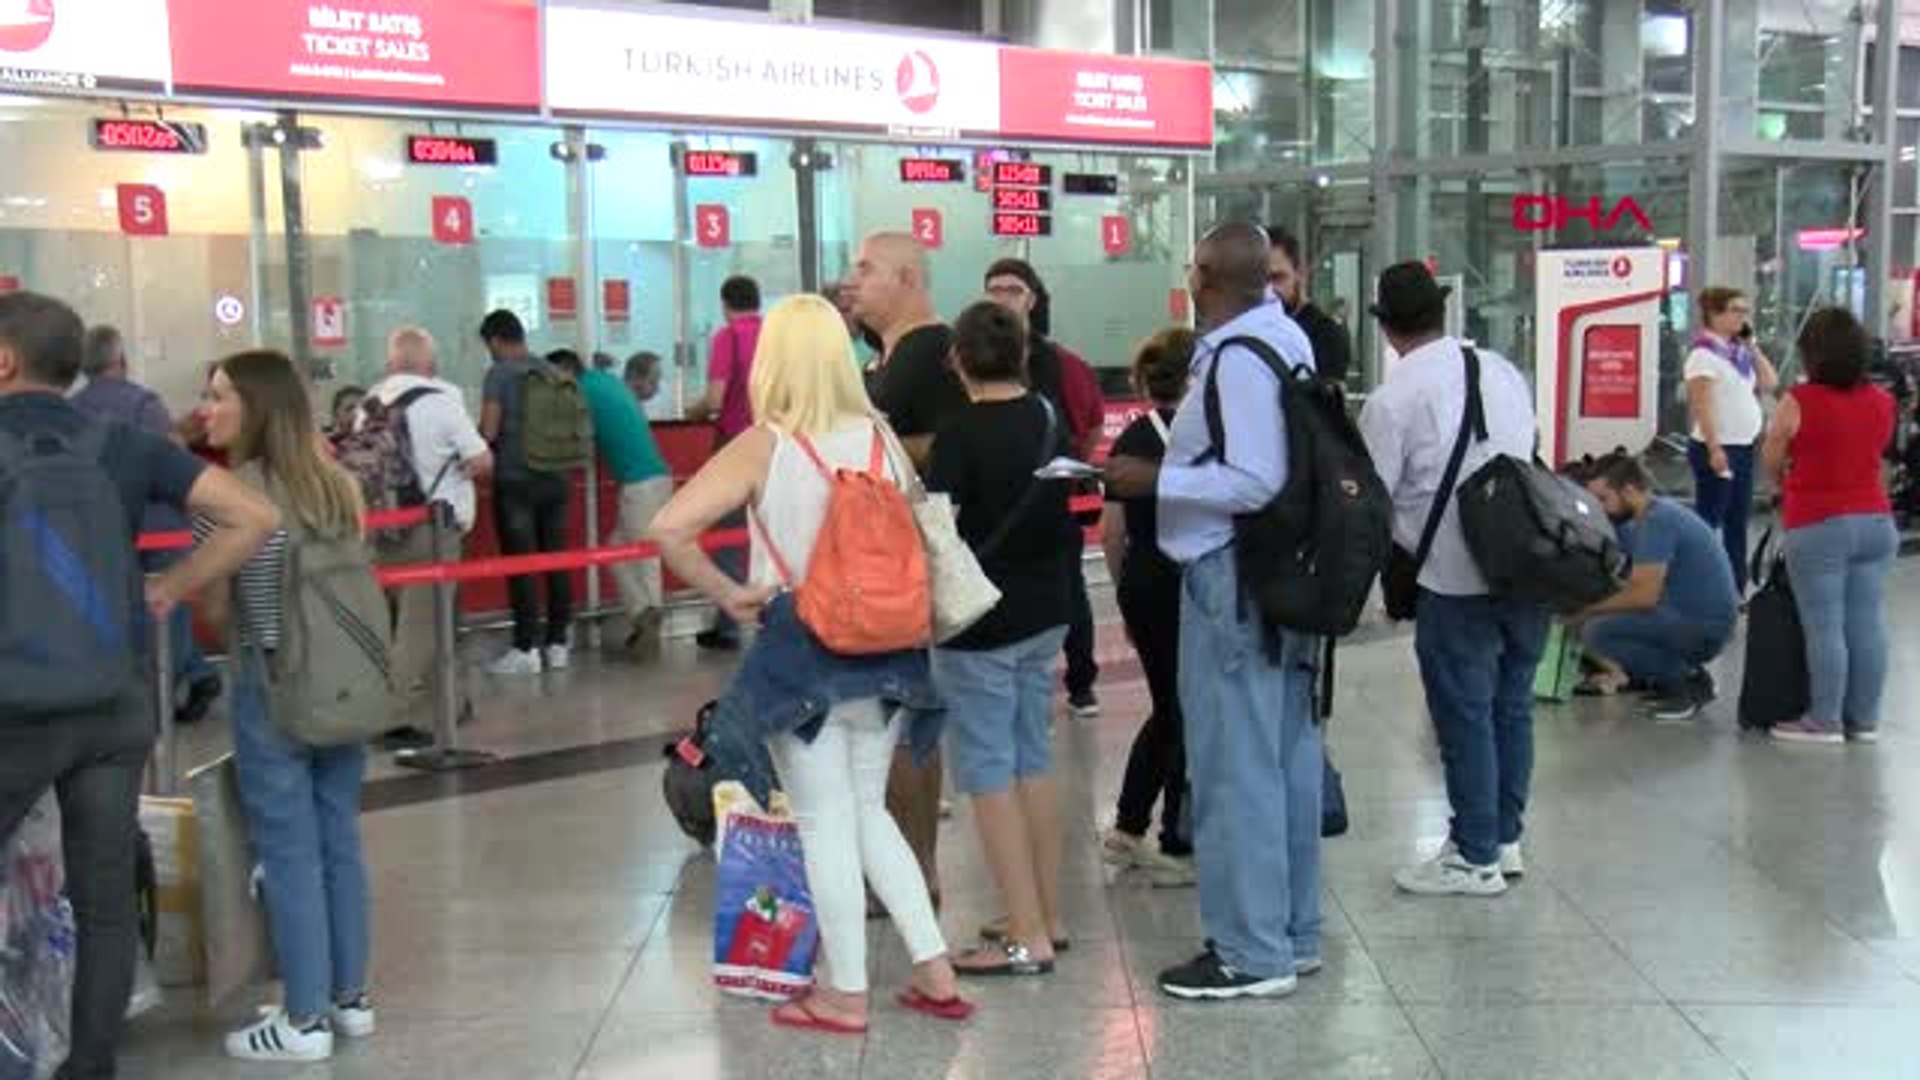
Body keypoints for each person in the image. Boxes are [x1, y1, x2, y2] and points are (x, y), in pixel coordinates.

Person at [648, 294, 967, 1032]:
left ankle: (845, 994)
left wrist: (729, 593)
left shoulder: (768, 444)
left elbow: (669, 528)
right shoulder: (882, 439)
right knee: (867, 810)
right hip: (891, 647)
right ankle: (935, 969)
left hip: (806, 649)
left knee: (824, 821)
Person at [0, 292, 277, 1080]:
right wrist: (171, 586)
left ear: (4, 360)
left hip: (12, 712)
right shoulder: (123, 442)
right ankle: (90, 1063)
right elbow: (254, 515)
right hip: (111, 706)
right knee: (105, 899)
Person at [1103, 223, 1324, 1000]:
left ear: (1202, 277)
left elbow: (1255, 479)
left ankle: (1251, 952)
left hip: (1231, 577)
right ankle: (1292, 932)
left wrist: (1155, 480)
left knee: (1235, 768)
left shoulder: (1237, 357)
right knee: (1284, 758)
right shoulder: (1288, 341)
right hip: (1277, 574)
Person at [191, 350, 377, 1062]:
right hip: (344, 686)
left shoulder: (230, 497)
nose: (208, 409)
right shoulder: (339, 487)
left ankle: (303, 1019)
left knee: (288, 852)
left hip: (271, 687)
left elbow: (215, 611)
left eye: (220, 396)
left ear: (257, 408)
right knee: (338, 841)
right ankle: (348, 998)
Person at [1358, 261, 1548, 897]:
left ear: (1386, 328)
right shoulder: (1502, 371)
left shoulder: (1392, 401)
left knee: (1464, 715)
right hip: (1526, 564)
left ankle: (1473, 856)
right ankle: (1503, 838)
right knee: (1511, 706)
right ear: (1442, 312)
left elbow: (1374, 499)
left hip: (1452, 574)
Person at [926, 302, 1077, 976]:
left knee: (988, 769)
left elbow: (939, 530)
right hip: (1047, 610)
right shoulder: (1048, 416)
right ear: (1023, 354)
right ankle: (1046, 912)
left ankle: (1024, 935)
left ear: (957, 360)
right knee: (1033, 758)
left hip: (980, 621)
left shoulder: (958, 435)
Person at [849, 231, 960, 908]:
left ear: (908, 279)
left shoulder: (929, 354)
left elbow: (948, 445)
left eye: (867, 269)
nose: (853, 280)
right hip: (875, 557)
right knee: (884, 720)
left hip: (907, 562)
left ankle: (915, 870)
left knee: (903, 719)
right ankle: (901, 867)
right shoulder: (884, 359)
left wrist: (869, 448)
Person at [71, 324, 224, 725]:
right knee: (169, 609)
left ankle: (187, 677)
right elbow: (171, 458)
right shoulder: (143, 402)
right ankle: (172, 688)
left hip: (107, 525)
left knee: (124, 610)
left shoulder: (72, 409)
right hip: (161, 523)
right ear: (121, 360)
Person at [1760, 307, 1899, 745]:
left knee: (1824, 626)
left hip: (1818, 522)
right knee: (1866, 622)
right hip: (1876, 522)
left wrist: (1783, 482)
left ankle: (1824, 720)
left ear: (1811, 353)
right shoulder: (1883, 400)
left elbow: (1773, 456)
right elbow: (1876, 452)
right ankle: (1865, 720)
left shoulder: (1799, 399)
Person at [982, 257, 1106, 718]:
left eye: (1012, 290)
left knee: (1069, 588)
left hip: (1052, 499)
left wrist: (1065, 469)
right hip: (997, 501)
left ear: (1032, 299)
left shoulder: (1065, 365)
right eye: (993, 289)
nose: (1001, 298)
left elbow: (1089, 425)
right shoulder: (972, 358)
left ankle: (1081, 683)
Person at [1099, 327, 1197, 887]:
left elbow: (1112, 532)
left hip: (1144, 582)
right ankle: (1172, 834)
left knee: (1168, 705)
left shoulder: (1134, 437)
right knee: (1183, 709)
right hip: (1186, 583)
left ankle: (1131, 824)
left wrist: (1123, 595)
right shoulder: (1202, 433)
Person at [359, 327, 492, 739]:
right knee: (420, 630)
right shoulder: (443, 401)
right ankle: (388, 713)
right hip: (434, 530)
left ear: (391, 363)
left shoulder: (369, 405)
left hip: (382, 528)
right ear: (430, 363)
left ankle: (449, 703)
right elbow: (481, 459)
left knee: (428, 623)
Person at [1573, 452, 1738, 721]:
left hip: (1703, 627)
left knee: (1596, 632)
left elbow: (1643, 596)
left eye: (1604, 499)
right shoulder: (1658, 513)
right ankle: (1675, 676)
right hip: (1698, 619)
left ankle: (1685, 684)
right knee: (1602, 621)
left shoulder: (1657, 521)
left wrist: (1584, 609)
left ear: (1628, 490)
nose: (1601, 509)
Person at [553, 348, 673, 657]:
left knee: (643, 553)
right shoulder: (603, 381)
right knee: (616, 550)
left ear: (565, 371)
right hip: (655, 477)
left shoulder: (580, 391)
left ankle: (650, 619)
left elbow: (574, 435)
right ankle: (643, 614)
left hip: (640, 483)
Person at [477, 309, 574, 675]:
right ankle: (558, 644)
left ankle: (525, 648)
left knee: (522, 565)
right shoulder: (551, 371)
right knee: (556, 561)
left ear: (494, 341)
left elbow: (489, 431)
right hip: (557, 479)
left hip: (516, 481)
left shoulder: (499, 373)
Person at [686, 275, 764, 651]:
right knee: (771, 532)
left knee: (729, 535)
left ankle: (730, 624)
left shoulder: (727, 337)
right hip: (773, 444)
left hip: (735, 447)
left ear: (725, 303)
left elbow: (715, 399)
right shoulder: (773, 334)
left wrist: (693, 410)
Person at [1685, 287, 1778, 592]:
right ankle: (1700, 584)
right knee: (1710, 519)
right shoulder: (1703, 355)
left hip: (1743, 446)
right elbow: (1701, 405)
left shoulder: (1738, 352)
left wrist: (1752, 346)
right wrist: (1714, 448)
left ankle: (1735, 587)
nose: (1743, 317)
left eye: (1745, 311)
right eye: (1736, 310)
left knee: (1738, 520)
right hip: (1717, 447)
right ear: (1715, 314)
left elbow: (1769, 382)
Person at [1263, 224, 1353, 384]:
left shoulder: (1325, 334)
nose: (1269, 290)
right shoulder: (1255, 328)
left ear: (1300, 273)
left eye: (1277, 278)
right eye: (1261, 281)